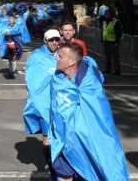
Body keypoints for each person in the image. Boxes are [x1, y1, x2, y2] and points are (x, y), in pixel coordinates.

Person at [49, 43, 129, 180]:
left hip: (84, 140)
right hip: (62, 138)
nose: (56, 58)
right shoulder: (58, 79)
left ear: (72, 61)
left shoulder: (90, 83)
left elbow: (99, 116)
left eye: (60, 56)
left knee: (95, 170)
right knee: (63, 174)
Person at [22, 28, 60, 172]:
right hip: (45, 103)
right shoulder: (36, 56)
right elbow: (31, 80)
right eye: (51, 40)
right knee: (47, 137)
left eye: (57, 39)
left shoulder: (62, 54)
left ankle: (59, 165)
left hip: (62, 102)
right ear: (45, 41)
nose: (55, 42)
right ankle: (50, 166)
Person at [102, 9, 122, 75]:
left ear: (111, 15)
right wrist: (102, 39)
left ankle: (117, 71)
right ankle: (107, 69)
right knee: (107, 56)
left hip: (113, 42)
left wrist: (117, 41)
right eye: (105, 14)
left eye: (107, 14)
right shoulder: (104, 22)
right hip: (106, 41)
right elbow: (103, 31)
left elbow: (119, 33)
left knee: (115, 57)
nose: (106, 15)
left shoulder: (115, 22)